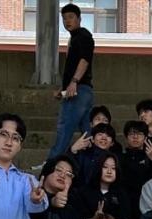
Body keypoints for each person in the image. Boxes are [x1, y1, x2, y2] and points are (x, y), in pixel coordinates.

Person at [46, 3, 94, 160]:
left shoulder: (83, 36)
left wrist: (74, 82)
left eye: (71, 17)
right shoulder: (75, 37)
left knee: (65, 127)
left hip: (79, 89)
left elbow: (84, 60)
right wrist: (63, 89)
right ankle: (93, 162)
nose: (67, 21)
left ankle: (52, 164)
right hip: (81, 89)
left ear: (79, 19)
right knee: (87, 132)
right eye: (64, 18)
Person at [73, 152, 134, 219]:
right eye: (105, 167)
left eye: (113, 168)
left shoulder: (122, 194)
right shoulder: (84, 192)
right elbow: (78, 218)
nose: (109, 171)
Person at [119, 120, 152, 217]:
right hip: (125, 202)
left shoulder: (150, 157)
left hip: (146, 201)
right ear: (126, 137)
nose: (135, 137)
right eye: (132, 134)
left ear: (145, 137)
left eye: (139, 134)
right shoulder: (120, 157)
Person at [71, 122, 117, 188]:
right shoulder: (83, 155)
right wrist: (73, 150)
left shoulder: (115, 160)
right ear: (92, 139)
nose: (104, 138)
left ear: (112, 143)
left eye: (108, 135)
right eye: (100, 134)